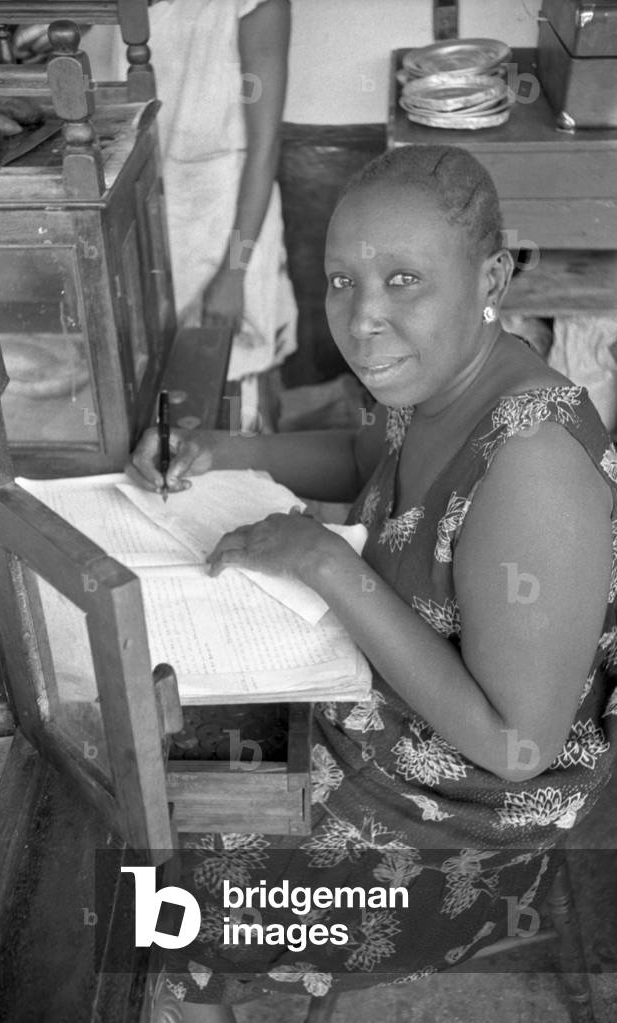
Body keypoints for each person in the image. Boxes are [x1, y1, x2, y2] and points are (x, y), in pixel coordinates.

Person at [130, 144, 617, 1021]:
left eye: (403, 280)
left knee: (170, 891)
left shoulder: (532, 465)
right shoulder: (437, 383)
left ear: (489, 276)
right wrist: (226, 452)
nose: (361, 320)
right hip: (379, 709)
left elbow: (516, 749)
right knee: (146, 756)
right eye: (341, 281)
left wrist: (326, 562)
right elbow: (371, 455)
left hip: (457, 817)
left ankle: (204, 986)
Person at [146, 0, 298, 432]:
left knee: (231, 397)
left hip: (226, 227)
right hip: (151, 225)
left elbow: (264, 146)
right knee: (164, 403)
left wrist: (233, 273)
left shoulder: (251, 5)